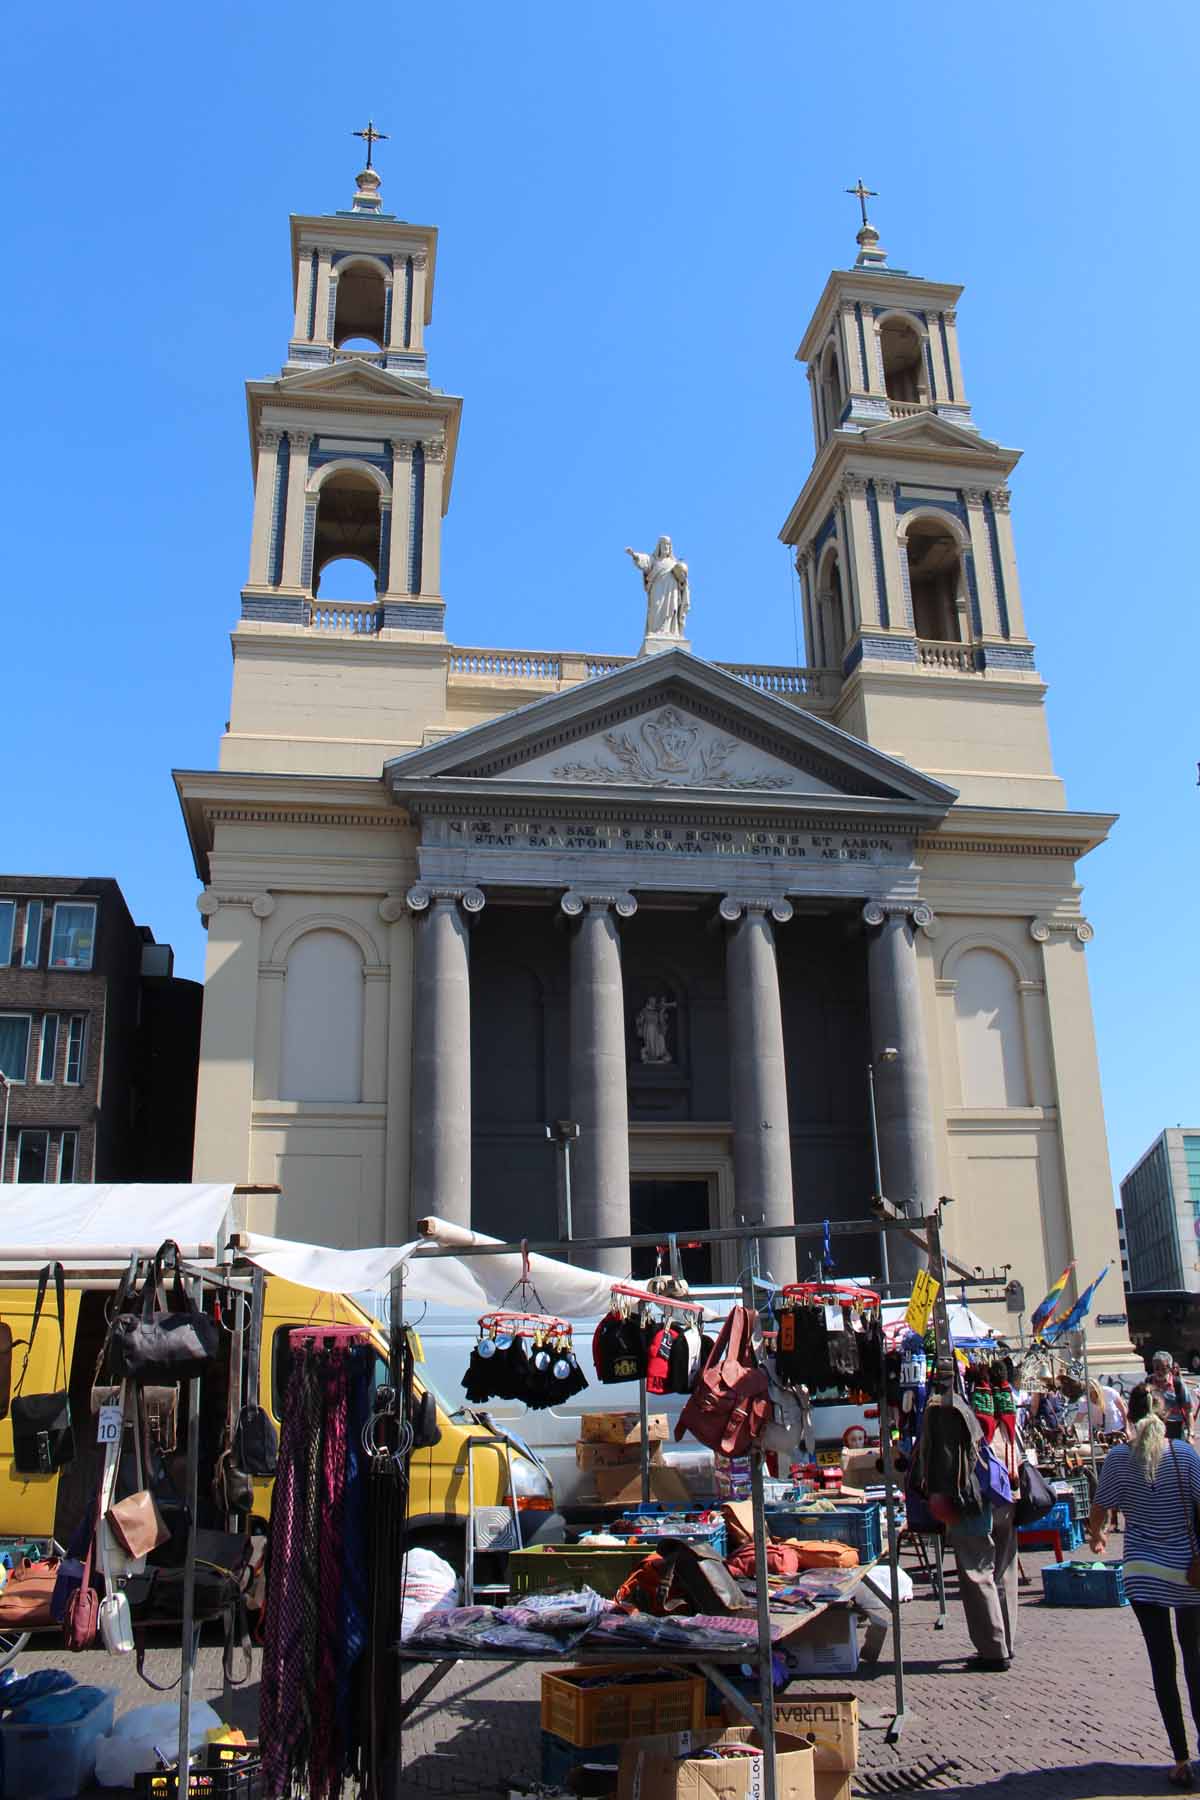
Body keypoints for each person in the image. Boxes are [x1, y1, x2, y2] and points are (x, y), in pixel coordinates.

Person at [1089, 1384, 1200, 1788]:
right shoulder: (1185, 1455)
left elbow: (1100, 1509)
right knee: (1196, 1661)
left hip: (1142, 1572)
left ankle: (1181, 1758)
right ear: (1167, 1415)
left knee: (1162, 1663)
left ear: (1131, 1419)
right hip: (1187, 1572)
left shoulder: (1119, 1458)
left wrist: (1097, 1536)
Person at [944, 1435, 1019, 1673]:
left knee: (977, 1569)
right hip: (1006, 1488)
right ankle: (1006, 1642)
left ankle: (994, 1650)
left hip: (976, 1495)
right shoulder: (1003, 1401)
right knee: (1003, 1569)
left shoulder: (953, 1406)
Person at [1150, 1352, 1193, 1442]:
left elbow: (1189, 1411)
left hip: (1175, 1429)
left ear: (1169, 1368)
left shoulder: (1178, 1384)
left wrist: (1190, 1434)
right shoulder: (1148, 1382)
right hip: (1154, 1429)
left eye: (1163, 1368)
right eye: (1156, 1368)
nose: (1159, 1372)